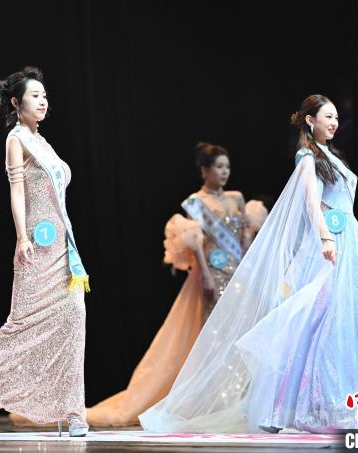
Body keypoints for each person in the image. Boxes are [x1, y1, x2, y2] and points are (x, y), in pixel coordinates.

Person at [139, 94, 358, 434]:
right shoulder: (308, 157)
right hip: (332, 238)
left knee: (347, 315)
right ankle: (305, 403)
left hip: (350, 240)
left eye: (336, 117)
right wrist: (326, 238)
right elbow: (312, 202)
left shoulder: (332, 156)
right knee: (320, 315)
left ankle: (344, 399)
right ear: (310, 121)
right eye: (327, 116)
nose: (334, 122)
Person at [84, 143, 268, 427]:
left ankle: (240, 398)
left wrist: (248, 253)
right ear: (204, 170)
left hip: (238, 276)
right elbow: (197, 244)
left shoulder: (237, 198)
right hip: (213, 275)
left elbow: (244, 242)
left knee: (240, 332)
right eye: (218, 167)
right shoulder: (195, 202)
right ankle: (213, 400)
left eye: (227, 167)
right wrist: (204, 275)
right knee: (214, 335)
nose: (224, 172)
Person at [0, 66, 90, 437]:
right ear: (16, 102)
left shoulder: (43, 142)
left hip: (62, 246)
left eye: (44, 95)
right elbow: (16, 190)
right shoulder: (17, 139)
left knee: (74, 317)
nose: (42, 101)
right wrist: (21, 237)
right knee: (21, 324)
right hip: (35, 246)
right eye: (34, 96)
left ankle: (73, 409)